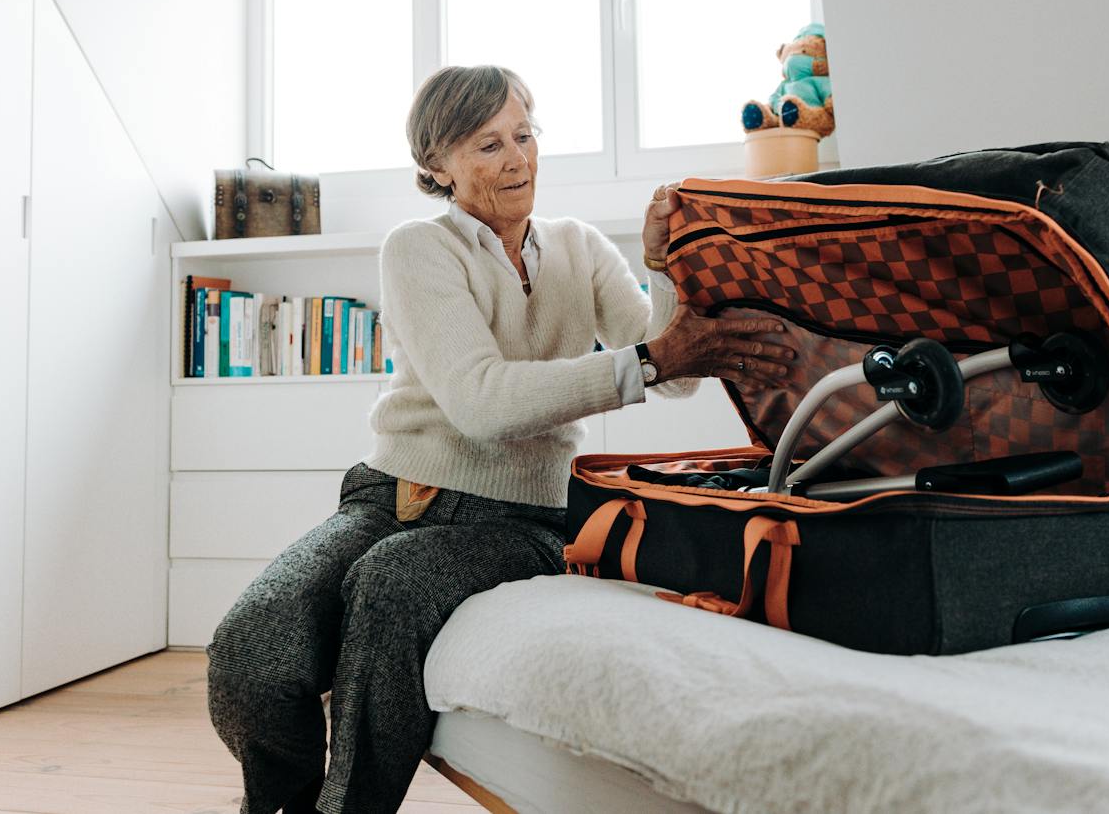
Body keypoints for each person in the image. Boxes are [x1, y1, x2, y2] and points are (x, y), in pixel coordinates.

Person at [206, 65, 794, 814]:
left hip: (522, 518)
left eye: (525, 135)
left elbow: (672, 369)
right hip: (393, 494)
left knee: (389, 585)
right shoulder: (419, 248)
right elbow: (481, 399)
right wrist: (645, 362)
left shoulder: (579, 249)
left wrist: (662, 266)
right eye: (488, 145)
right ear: (437, 166)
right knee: (250, 654)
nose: (517, 158)